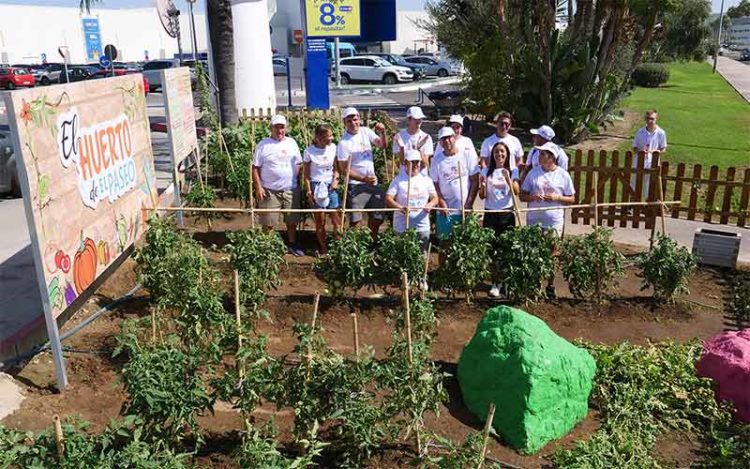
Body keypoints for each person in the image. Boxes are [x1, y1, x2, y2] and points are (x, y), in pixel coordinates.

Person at [520, 142, 575, 299]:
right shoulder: (533, 173)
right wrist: (533, 197)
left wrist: (557, 197)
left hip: (554, 222)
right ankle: (536, 284)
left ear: (552, 158)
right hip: (534, 221)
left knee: (553, 254)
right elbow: (522, 195)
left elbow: (572, 198)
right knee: (535, 252)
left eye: (543, 154)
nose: (540, 156)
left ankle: (550, 285)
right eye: (540, 154)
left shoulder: (562, 175)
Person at [252, 114, 304, 256]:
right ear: (271, 128)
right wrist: (258, 187)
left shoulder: (292, 143)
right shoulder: (263, 145)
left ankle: (292, 244)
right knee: (268, 221)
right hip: (270, 190)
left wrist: (292, 175)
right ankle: (266, 247)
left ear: (285, 128)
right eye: (276, 127)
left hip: (290, 189)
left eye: (282, 127)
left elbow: (299, 163)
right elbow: (255, 167)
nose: (280, 130)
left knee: (292, 221)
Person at [336, 107, 388, 237]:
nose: (353, 123)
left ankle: (372, 241)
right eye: (349, 121)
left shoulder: (365, 131)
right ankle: (356, 246)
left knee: (377, 217)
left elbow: (382, 145)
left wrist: (383, 133)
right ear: (344, 122)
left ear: (359, 119)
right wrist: (363, 179)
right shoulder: (344, 143)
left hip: (373, 183)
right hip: (355, 185)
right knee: (356, 220)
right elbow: (344, 169)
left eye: (355, 119)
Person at [479, 141, 520, 298]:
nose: (499, 155)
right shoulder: (486, 171)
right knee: (491, 250)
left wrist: (508, 179)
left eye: (502, 152)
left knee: (506, 250)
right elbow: (482, 196)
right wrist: (482, 185)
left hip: (506, 214)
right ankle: (495, 282)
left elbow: (516, 192)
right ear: (492, 155)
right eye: (496, 152)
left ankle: (507, 282)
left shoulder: (512, 170)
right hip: (490, 214)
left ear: (507, 154)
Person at [430, 127, 480, 238]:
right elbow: (435, 185)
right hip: (445, 211)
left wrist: (469, 204)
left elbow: (475, 181)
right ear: (440, 143)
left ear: (454, 138)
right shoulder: (436, 160)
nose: (447, 141)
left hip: (463, 210)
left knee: (463, 244)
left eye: (449, 137)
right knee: (444, 243)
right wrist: (442, 203)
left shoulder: (466, 155)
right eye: (443, 139)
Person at [385, 149, 439, 251]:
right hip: (402, 225)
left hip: (422, 225)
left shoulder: (426, 180)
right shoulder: (399, 180)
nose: (415, 165)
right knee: (402, 253)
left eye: (417, 162)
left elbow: (435, 198)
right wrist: (400, 207)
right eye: (412, 162)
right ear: (405, 163)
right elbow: (388, 198)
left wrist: (430, 205)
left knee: (422, 253)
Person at [303, 123, 342, 254]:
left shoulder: (334, 148)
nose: (331, 138)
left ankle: (338, 247)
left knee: (336, 218)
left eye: (331, 135)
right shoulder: (309, 152)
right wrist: (309, 192)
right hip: (316, 187)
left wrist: (336, 181)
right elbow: (306, 175)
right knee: (320, 221)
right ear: (319, 138)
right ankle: (324, 248)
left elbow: (337, 169)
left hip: (331, 186)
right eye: (327, 136)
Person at [631, 109, 667, 199]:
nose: (650, 121)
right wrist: (640, 151)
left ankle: (648, 207)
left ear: (656, 119)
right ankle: (632, 206)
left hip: (652, 162)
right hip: (639, 161)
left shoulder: (661, 133)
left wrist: (654, 152)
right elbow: (634, 147)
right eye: (648, 118)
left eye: (652, 119)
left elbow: (663, 148)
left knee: (649, 185)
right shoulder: (640, 132)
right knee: (634, 183)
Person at [392, 106, 433, 173]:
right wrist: (401, 148)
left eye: (420, 119)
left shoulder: (426, 137)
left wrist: (419, 150)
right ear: (409, 120)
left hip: (421, 177)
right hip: (404, 177)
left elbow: (426, 164)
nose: (419, 121)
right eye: (416, 119)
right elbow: (400, 163)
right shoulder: (399, 137)